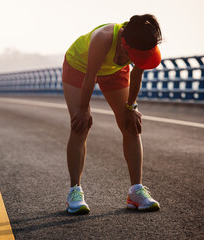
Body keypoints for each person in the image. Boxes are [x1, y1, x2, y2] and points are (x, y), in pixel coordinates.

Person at [63, 14, 162, 214]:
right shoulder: (104, 38)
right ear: (126, 45)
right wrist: (82, 109)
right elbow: (91, 76)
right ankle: (75, 192)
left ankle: (136, 192)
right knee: (80, 126)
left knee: (130, 125)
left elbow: (137, 75)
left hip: (114, 73)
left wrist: (131, 107)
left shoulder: (144, 42)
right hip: (79, 68)